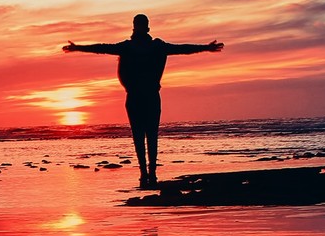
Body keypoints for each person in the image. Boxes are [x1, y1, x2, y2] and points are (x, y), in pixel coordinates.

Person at [63, 14, 223, 188]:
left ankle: (150, 172)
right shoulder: (133, 47)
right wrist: (78, 47)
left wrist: (205, 48)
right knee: (140, 136)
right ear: (143, 27)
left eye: (140, 25)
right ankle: (144, 172)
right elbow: (103, 48)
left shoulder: (153, 47)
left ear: (139, 27)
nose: (139, 27)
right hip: (137, 97)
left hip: (148, 96)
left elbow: (182, 49)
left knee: (150, 135)